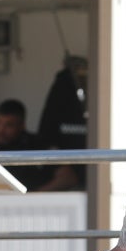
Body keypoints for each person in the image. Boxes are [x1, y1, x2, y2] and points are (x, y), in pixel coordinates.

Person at [0, 99, 71, 192]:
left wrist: (34, 195)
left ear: (22, 125)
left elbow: (68, 178)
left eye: (9, 125)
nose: (1, 130)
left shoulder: (39, 145)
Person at [36, 55, 90, 193]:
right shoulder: (61, 88)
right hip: (67, 174)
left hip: (92, 176)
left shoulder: (96, 90)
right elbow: (46, 135)